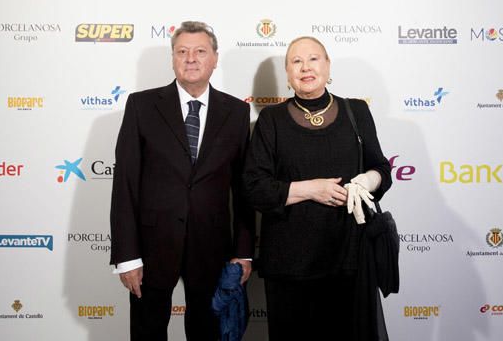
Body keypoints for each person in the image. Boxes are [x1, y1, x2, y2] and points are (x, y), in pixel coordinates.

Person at [110, 21, 255, 341]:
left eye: (200, 51)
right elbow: (125, 185)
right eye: (182, 51)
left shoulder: (236, 112)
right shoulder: (141, 106)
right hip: (150, 247)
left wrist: (243, 250)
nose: (191, 58)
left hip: (213, 246)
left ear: (215, 58)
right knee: (147, 331)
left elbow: (243, 188)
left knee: (207, 330)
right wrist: (127, 255)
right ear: (173, 58)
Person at [243, 36, 392, 340]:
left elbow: (382, 170)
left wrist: (368, 180)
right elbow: (255, 188)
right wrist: (310, 189)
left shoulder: (356, 112)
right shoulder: (271, 120)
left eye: (313, 59)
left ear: (327, 66)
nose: (305, 67)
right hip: (289, 266)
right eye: (296, 61)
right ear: (287, 73)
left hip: (348, 260)